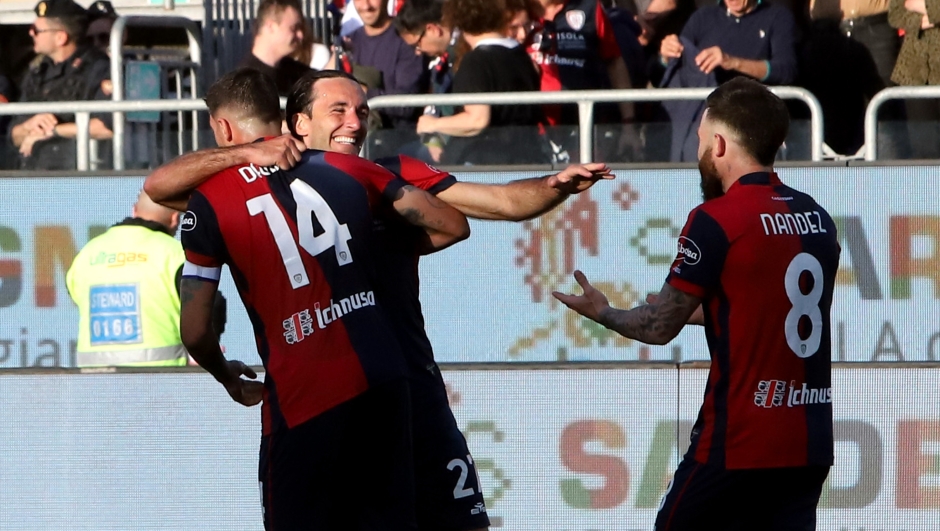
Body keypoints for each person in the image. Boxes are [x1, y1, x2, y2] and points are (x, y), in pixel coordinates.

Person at [145, 68, 612, 531]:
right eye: (339, 110)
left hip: (409, 389)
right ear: (298, 123)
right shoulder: (320, 178)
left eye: (362, 111)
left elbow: (501, 204)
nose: (354, 122)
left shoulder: (384, 172)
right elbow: (164, 186)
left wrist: (554, 185)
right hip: (372, 392)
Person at [175, 68, 469, 530]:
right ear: (287, 119)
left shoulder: (208, 200)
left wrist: (226, 375)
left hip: (300, 400)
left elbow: (194, 328)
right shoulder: (345, 167)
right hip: (382, 383)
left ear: (222, 129)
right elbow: (453, 224)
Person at [554, 78, 839, 530]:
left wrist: (604, 312)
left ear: (721, 144)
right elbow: (763, 308)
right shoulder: (817, 217)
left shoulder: (715, 219)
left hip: (738, 440)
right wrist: (692, 307)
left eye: (702, 141)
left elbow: (657, 327)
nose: (699, 152)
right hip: (808, 440)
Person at [657, 0, 797, 161]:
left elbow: (786, 70)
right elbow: (668, 67)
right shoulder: (702, 17)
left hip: (753, 124)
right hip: (705, 124)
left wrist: (731, 62)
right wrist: (667, 55)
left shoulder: (778, 16)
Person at [415, 0, 549, 165]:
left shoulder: (476, 61)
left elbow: (477, 120)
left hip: (485, 167)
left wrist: (433, 124)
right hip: (525, 160)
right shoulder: (522, 57)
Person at [65, 191, 190, 367]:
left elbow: (75, 294)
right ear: (175, 219)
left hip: (95, 383)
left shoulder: (88, 252)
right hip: (163, 381)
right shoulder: (174, 253)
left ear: (134, 210)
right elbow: (207, 306)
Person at [9, 0, 112, 170]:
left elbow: (107, 127)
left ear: (60, 37)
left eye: (37, 31)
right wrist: (29, 126)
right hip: (32, 175)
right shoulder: (37, 72)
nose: (31, 33)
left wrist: (53, 131)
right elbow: (13, 136)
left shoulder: (98, 69)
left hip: (78, 177)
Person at [332, 0, 426, 157]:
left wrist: (363, 93)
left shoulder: (406, 40)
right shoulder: (348, 41)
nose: (366, 6)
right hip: (353, 142)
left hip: (399, 143)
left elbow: (406, 106)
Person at [889, 0, 940, 158]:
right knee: (924, 147)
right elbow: (895, 15)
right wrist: (920, 20)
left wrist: (921, 6)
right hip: (916, 70)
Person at [238, 0, 313, 96]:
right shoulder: (246, 82)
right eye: (294, 28)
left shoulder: (294, 72)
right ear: (271, 26)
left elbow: (321, 83)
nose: (300, 35)